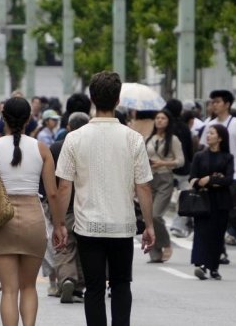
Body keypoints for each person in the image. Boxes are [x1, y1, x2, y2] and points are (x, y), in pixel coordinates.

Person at [55, 71, 154, 326]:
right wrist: (150, 225)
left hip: (88, 226)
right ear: (118, 99)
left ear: (92, 98)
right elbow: (143, 187)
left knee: (95, 288)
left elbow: (64, 187)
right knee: (122, 284)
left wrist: (59, 224)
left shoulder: (74, 138)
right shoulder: (133, 139)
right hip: (122, 225)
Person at [0, 97, 64, 326]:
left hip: (1, 222)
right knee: (29, 286)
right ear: (29, 119)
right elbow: (52, 193)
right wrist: (60, 225)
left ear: (3, 118)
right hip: (33, 220)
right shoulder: (42, 149)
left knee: (9, 291)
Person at [201, 89, 236, 261]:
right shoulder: (209, 124)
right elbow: (204, 149)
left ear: (227, 104)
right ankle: (220, 251)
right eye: (212, 102)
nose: (214, 105)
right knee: (214, 214)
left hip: (234, 175)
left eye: (218, 101)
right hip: (213, 178)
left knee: (231, 214)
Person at [50, 112, 89, 304]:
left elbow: (51, 180)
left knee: (64, 246)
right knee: (83, 246)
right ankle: (78, 287)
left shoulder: (56, 147)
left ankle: (66, 279)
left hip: (62, 204)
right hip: (86, 204)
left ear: (68, 128)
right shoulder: (92, 147)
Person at [190, 123, 235, 280]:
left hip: (221, 201)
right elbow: (193, 179)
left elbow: (228, 180)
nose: (208, 136)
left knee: (217, 234)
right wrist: (214, 180)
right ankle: (200, 264)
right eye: (208, 133)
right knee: (201, 233)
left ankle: (214, 267)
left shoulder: (228, 157)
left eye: (212, 133)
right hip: (203, 200)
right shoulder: (199, 156)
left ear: (220, 138)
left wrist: (208, 179)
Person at [145, 110, 183, 263]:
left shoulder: (173, 140)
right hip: (148, 179)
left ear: (168, 121)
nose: (160, 121)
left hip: (165, 178)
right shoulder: (148, 138)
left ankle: (166, 243)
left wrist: (164, 163)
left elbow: (181, 160)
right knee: (148, 217)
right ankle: (154, 254)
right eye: (157, 118)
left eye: (163, 118)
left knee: (155, 215)